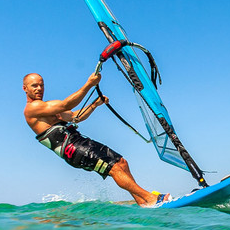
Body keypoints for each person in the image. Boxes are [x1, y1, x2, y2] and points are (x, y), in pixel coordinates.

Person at [24, 71, 168, 205]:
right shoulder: (32, 108)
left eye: (41, 85)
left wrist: (94, 104)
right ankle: (151, 198)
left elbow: (75, 116)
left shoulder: (47, 108)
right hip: (72, 149)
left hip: (80, 142)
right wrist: (89, 84)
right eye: (34, 86)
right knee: (114, 168)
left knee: (122, 163)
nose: (39, 89)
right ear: (25, 88)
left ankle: (142, 201)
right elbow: (66, 104)